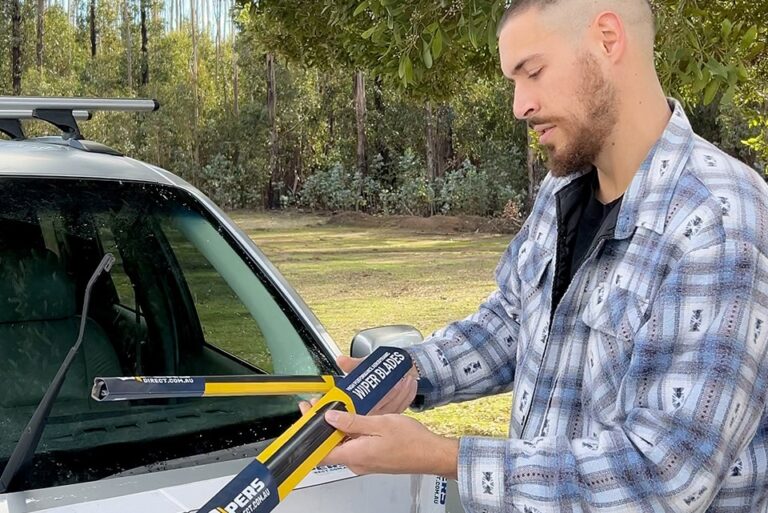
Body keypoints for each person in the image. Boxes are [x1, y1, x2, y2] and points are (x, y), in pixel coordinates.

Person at [300, 0, 768, 510]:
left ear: (608, 39)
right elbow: (512, 322)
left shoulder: (719, 220)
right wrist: (409, 374)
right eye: (513, 81)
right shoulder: (562, 189)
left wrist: (444, 456)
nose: (519, 106)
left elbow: (665, 476)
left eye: (534, 72)